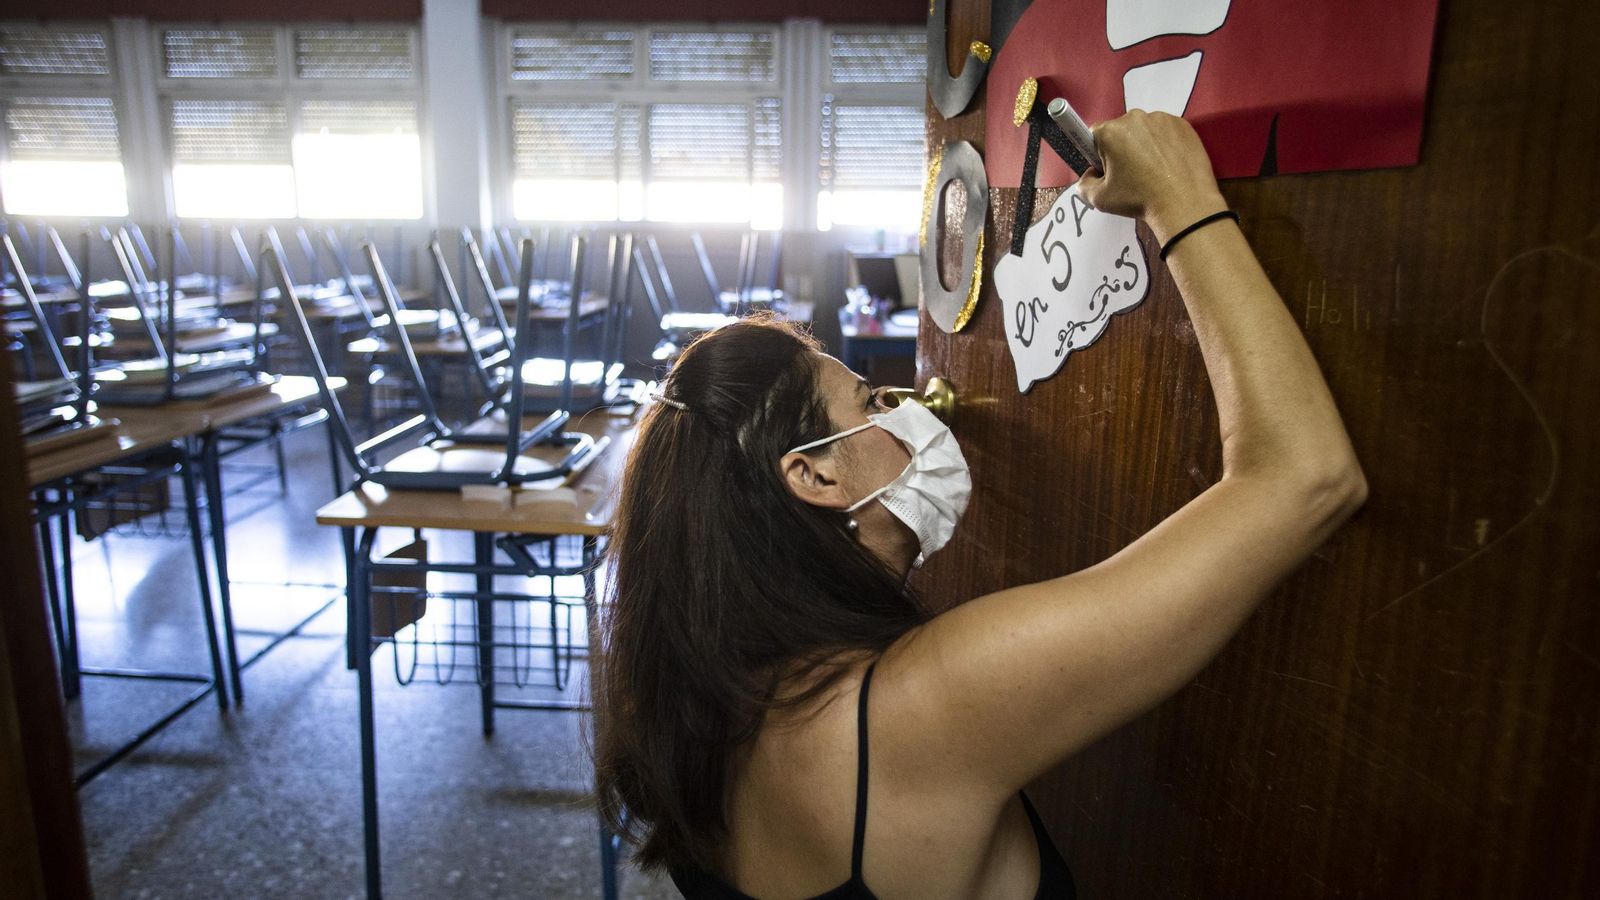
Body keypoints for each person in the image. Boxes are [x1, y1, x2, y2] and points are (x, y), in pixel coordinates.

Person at [593, 110, 1367, 899]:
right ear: (815, 477)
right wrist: (1182, 199)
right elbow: (1305, 478)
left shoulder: (699, 706)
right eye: (872, 401)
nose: (913, 413)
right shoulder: (929, 705)